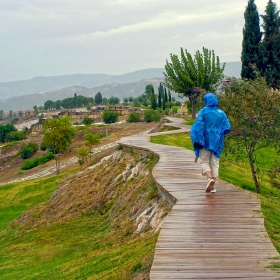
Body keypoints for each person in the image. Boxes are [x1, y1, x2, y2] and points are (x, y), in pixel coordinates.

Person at [190, 92, 231, 193]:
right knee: (215, 163)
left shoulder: (203, 112)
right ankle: (213, 186)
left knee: (204, 161)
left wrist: (197, 139)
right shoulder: (222, 113)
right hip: (217, 142)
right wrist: (219, 133)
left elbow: (198, 126)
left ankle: (209, 179)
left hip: (205, 141)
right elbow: (227, 127)